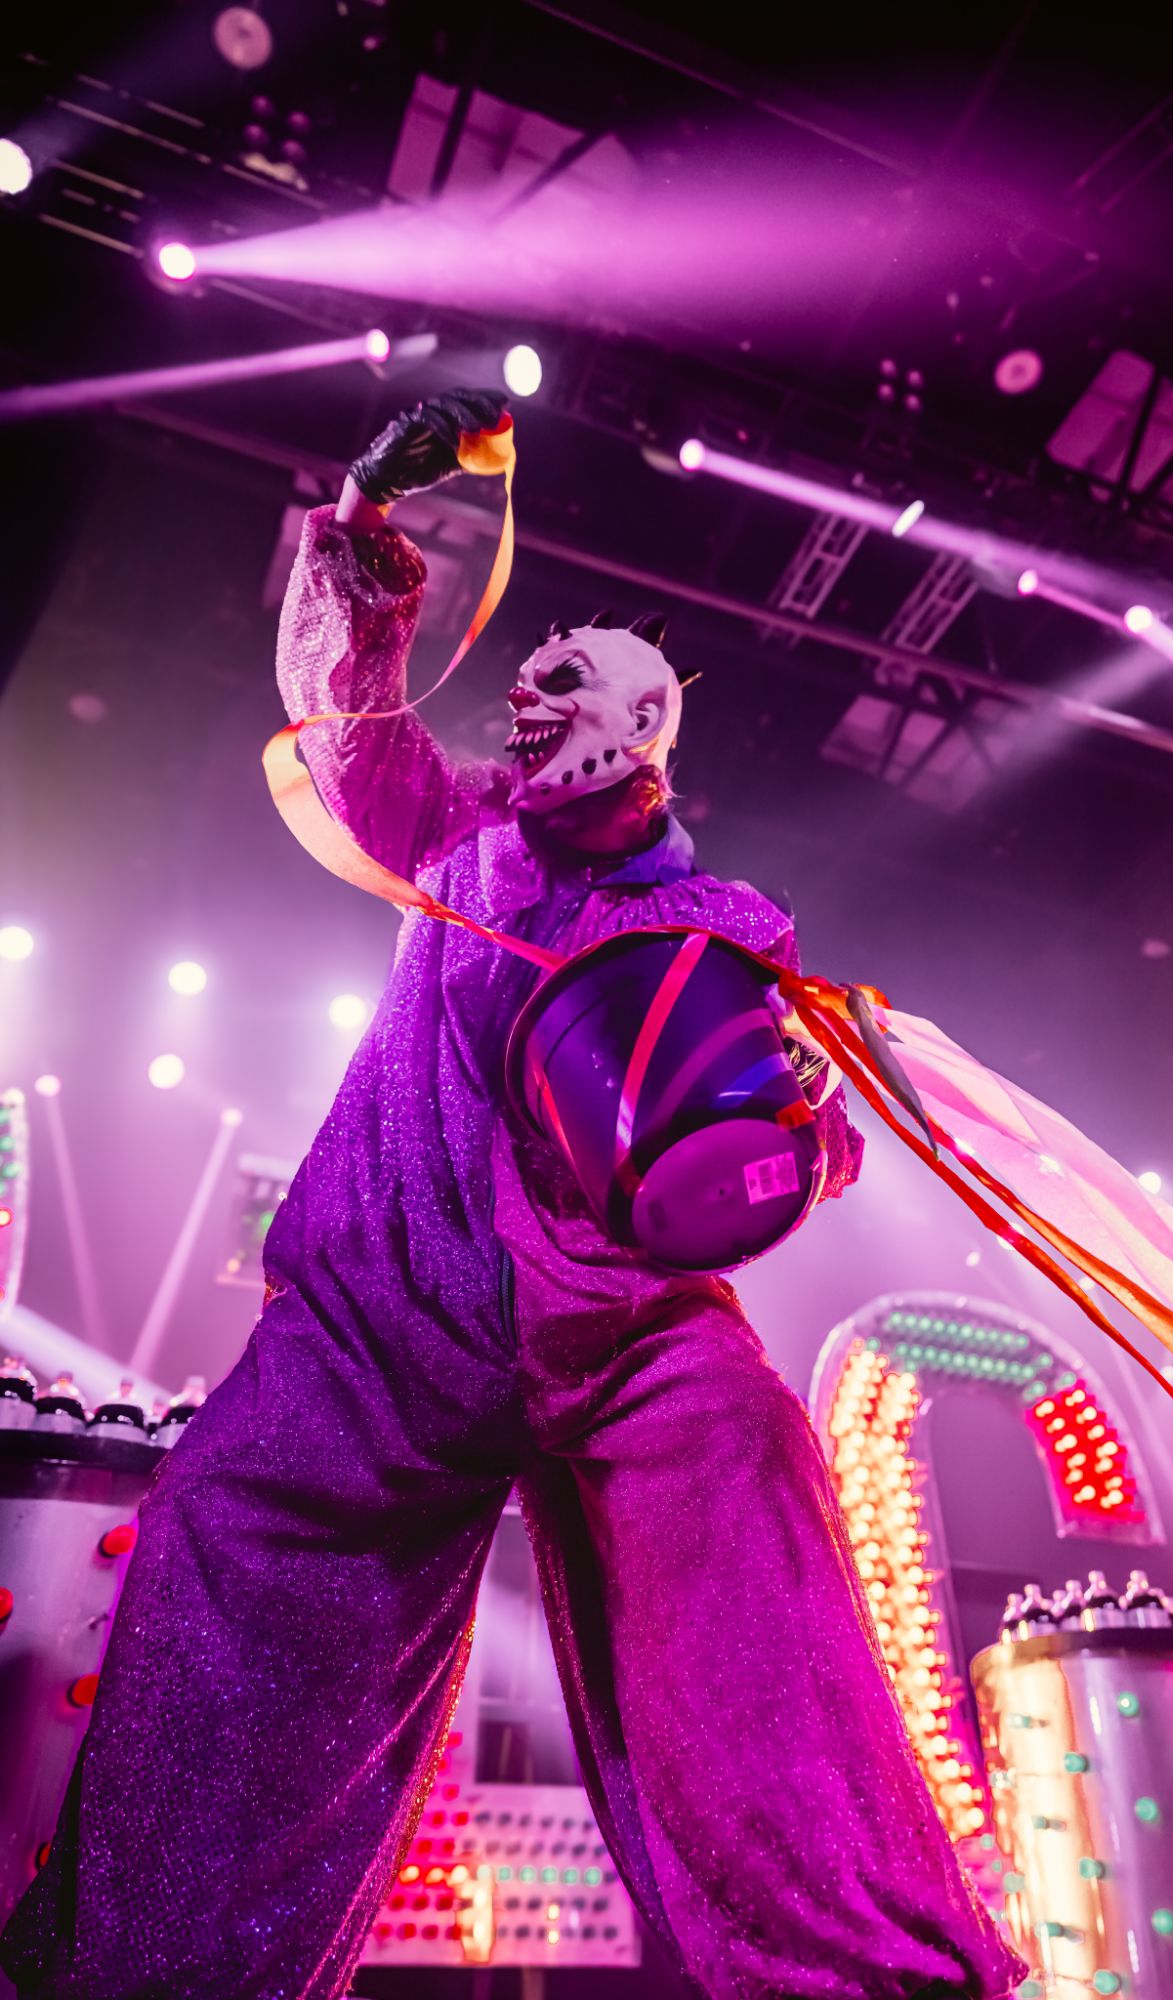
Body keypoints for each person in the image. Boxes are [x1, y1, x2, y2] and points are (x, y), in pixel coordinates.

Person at [1, 393, 1024, 2000]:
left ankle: (861, 1977)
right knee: (226, 1535)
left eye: (567, 686)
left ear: (642, 734)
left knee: (753, 1493)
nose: (530, 698)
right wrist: (362, 530)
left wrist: (807, 1130)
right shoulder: (462, 835)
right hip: (384, 1317)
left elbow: (776, 1143)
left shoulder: (723, 920)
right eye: (530, 676)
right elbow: (349, 721)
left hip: (623, 1339)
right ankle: (154, 1980)